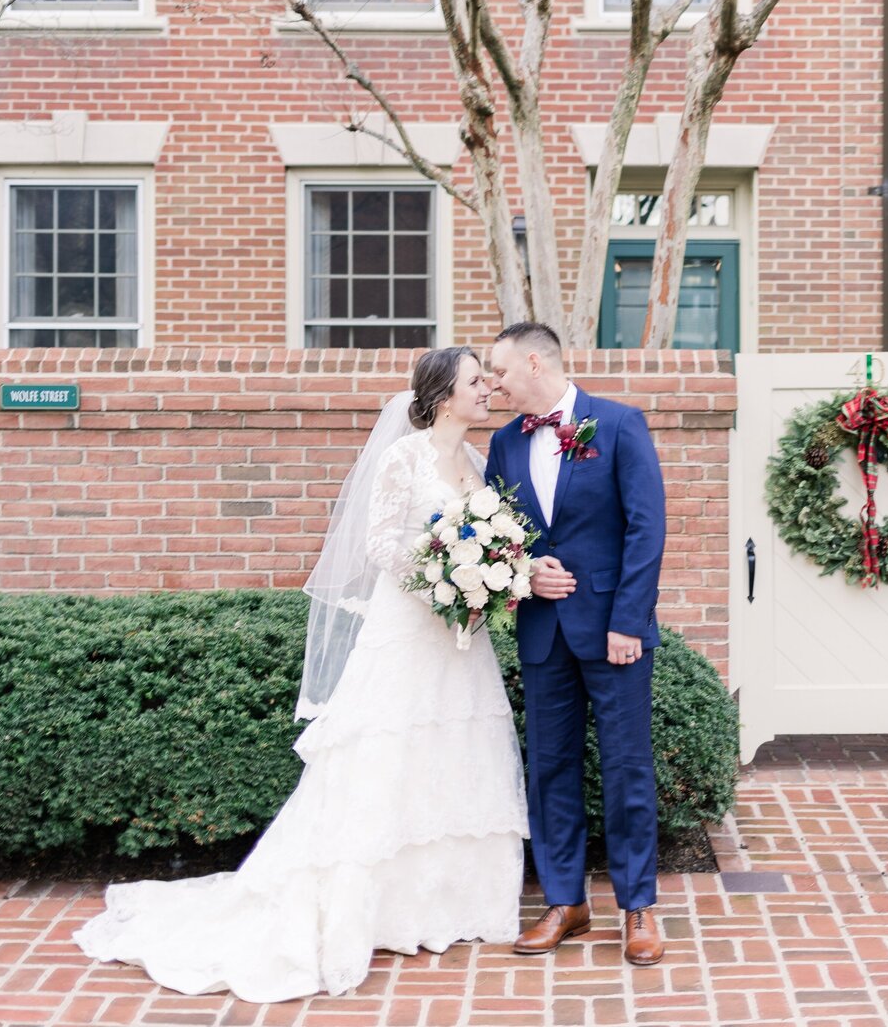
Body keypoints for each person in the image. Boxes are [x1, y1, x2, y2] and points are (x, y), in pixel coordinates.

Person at [72, 347, 527, 1004]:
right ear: (442, 395)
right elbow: (377, 542)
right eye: (476, 381)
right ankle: (362, 908)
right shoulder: (405, 457)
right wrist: (442, 582)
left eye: (487, 379)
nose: (488, 389)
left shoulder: (479, 464)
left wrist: (480, 584)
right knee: (384, 757)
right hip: (407, 630)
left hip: (461, 642)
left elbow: (486, 539)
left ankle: (438, 906)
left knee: (452, 754)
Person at [485, 321, 667, 967]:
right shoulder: (505, 442)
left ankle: (637, 907)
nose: (493, 384)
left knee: (626, 770)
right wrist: (526, 570)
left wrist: (628, 621)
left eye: (500, 371)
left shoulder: (618, 425)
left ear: (535, 363)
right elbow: (497, 529)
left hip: (613, 632)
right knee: (551, 768)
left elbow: (647, 529)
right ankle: (566, 902)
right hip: (543, 632)